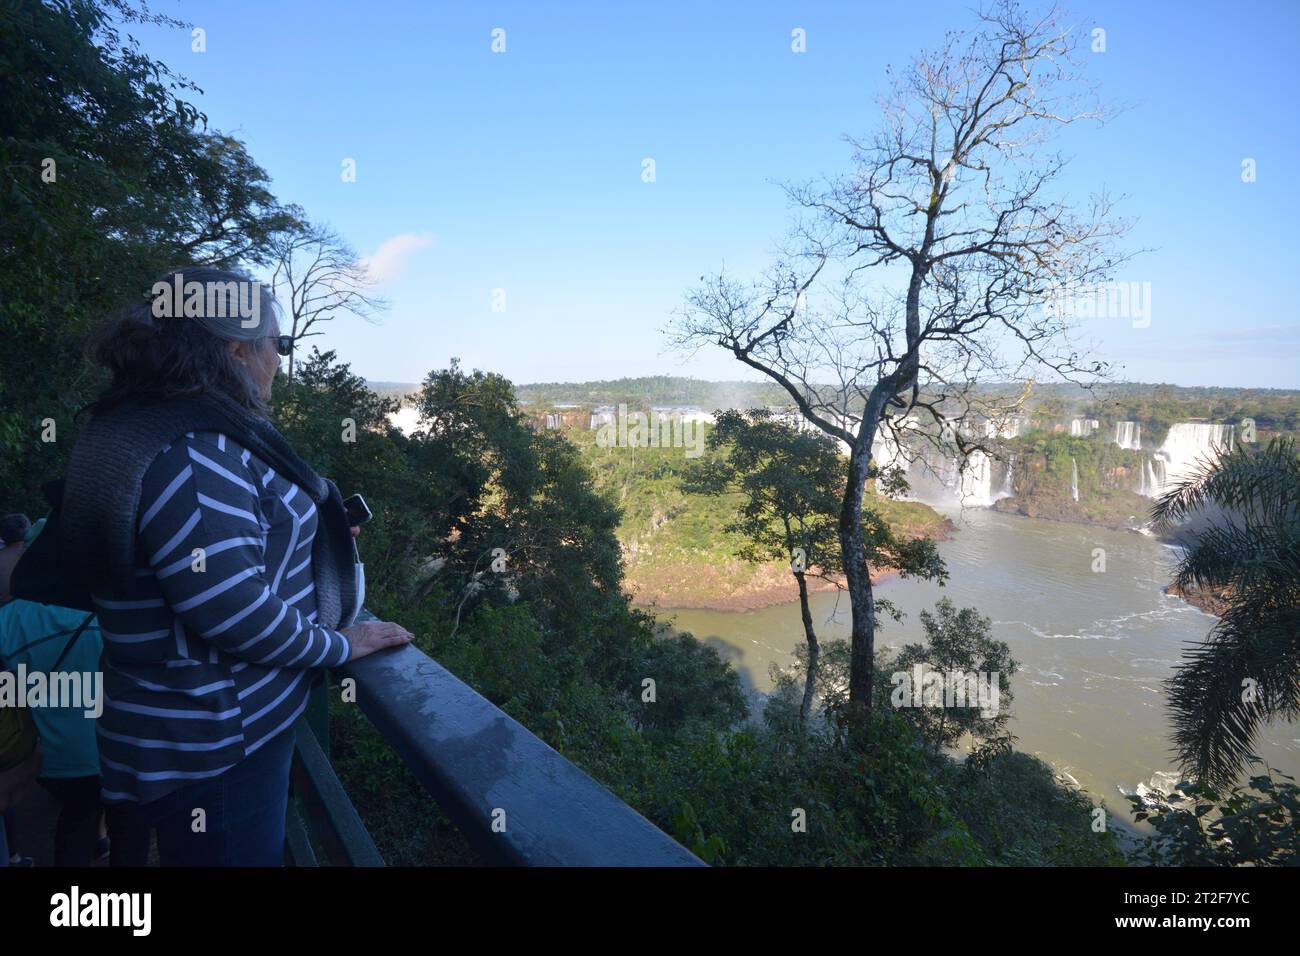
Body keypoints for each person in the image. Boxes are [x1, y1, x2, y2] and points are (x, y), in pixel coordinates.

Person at [57, 267, 413, 866]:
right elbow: (230, 607)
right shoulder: (196, 449)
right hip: (215, 744)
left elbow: (207, 556)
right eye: (282, 343)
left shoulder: (160, 423)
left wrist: (304, 541)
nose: (282, 358)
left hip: (189, 731)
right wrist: (339, 646)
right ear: (236, 348)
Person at [0, 517, 107, 866]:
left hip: (41, 762)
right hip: (105, 754)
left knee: (78, 818)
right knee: (102, 821)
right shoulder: (104, 611)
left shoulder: (6, 619)